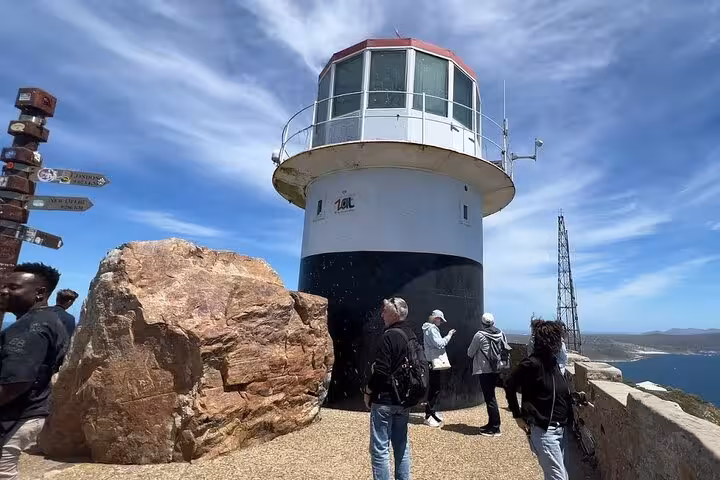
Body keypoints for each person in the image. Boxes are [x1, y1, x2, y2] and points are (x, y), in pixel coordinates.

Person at [0, 263, 69, 480]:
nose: (3, 291)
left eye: (13, 287)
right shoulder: (51, 320)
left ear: (39, 293)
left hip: (16, 416)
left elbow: (16, 382)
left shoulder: (30, 328)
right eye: (4, 285)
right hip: (33, 410)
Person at [506, 320, 574, 480]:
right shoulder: (531, 364)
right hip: (544, 431)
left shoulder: (553, 363)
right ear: (551, 341)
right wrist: (517, 416)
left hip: (560, 429)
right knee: (558, 478)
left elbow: (554, 391)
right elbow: (509, 385)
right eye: (559, 338)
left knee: (560, 475)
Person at [363, 297, 414, 480]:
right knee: (402, 446)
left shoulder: (389, 336)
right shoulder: (411, 335)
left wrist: (368, 391)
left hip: (384, 400)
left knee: (380, 450)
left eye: (385, 310)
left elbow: (381, 371)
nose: (382, 314)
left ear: (394, 313)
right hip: (404, 399)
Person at [467, 312, 510, 437]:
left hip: (484, 370)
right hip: (497, 368)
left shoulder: (479, 335)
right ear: (493, 322)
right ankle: (491, 423)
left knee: (490, 398)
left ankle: (495, 427)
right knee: (491, 396)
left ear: (482, 323)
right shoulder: (501, 333)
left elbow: (470, 352)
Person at [421, 309, 455, 427]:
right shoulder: (432, 329)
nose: (441, 322)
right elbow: (439, 343)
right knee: (434, 389)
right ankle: (429, 415)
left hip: (431, 362)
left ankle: (431, 412)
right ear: (436, 318)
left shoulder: (427, 329)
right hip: (434, 362)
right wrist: (449, 335)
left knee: (434, 389)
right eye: (440, 319)